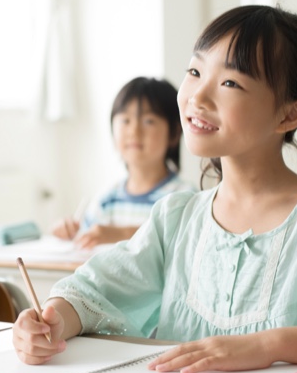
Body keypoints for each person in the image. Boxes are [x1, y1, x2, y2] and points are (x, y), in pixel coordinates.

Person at [13, 5, 297, 373]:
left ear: (290, 115)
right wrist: (53, 320)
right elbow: (94, 291)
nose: (198, 95)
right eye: (195, 71)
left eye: (230, 83)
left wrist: (269, 346)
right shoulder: (175, 219)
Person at [50, 77, 196, 249]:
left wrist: (119, 234)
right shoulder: (106, 199)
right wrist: (68, 232)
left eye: (148, 121)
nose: (134, 131)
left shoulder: (184, 197)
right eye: (125, 120)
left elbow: (181, 241)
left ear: (174, 132)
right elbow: (84, 242)